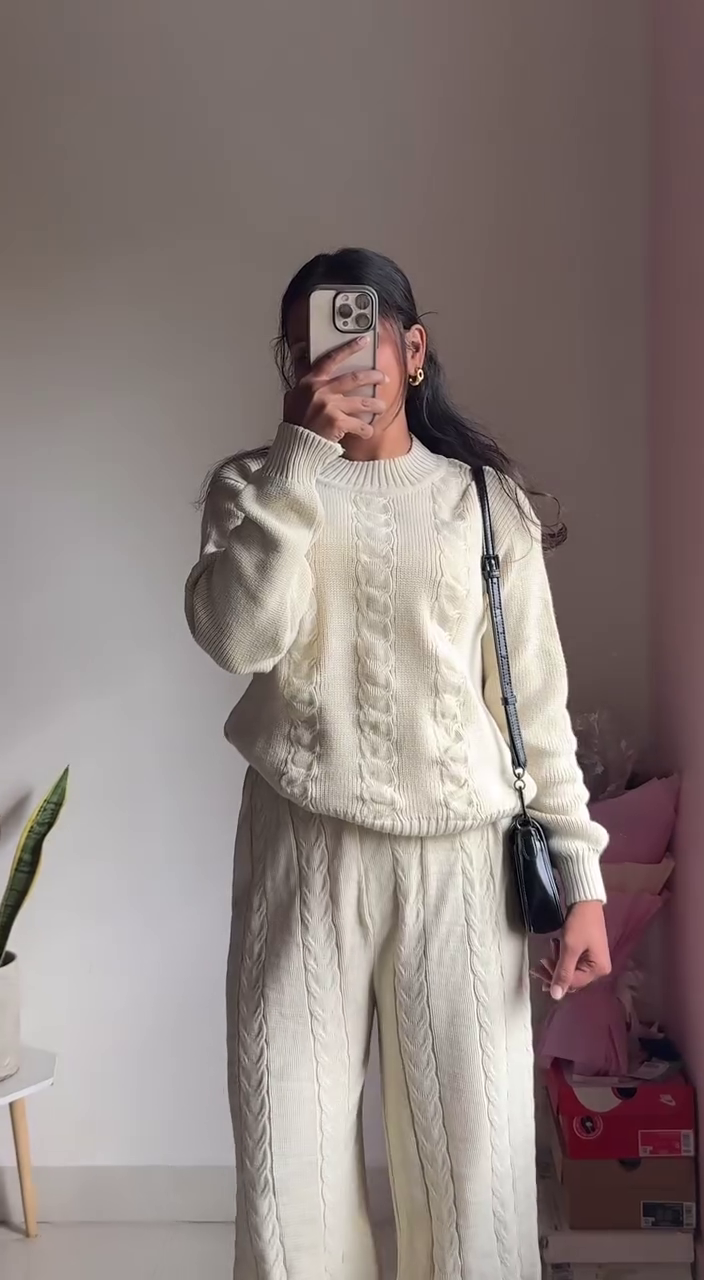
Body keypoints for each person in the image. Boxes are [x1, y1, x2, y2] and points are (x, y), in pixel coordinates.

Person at [185, 247, 611, 1280]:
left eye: (356, 338)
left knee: (475, 1190)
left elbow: (534, 710)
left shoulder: (485, 504)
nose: (332, 363)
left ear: (413, 351)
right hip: (301, 853)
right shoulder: (253, 489)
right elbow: (239, 638)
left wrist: (584, 884)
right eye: (307, 348)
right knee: (290, 1186)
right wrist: (297, 464)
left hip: (461, 866)